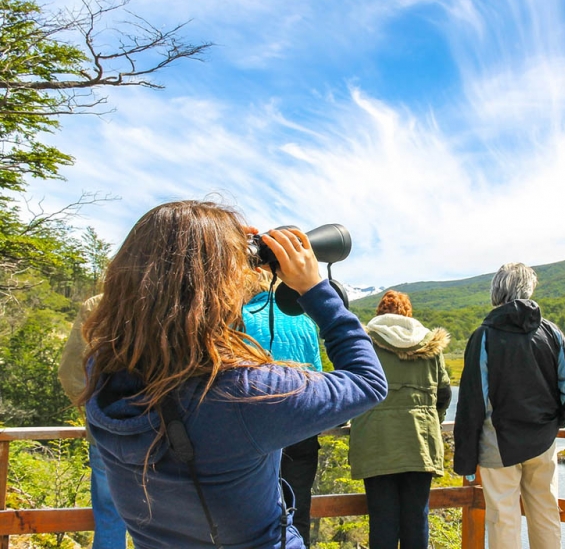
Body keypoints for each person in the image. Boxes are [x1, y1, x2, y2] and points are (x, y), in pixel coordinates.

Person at [79, 200, 388, 549]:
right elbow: (368, 382)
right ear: (217, 290)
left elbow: (173, 314)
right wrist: (315, 290)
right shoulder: (245, 393)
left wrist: (214, 249)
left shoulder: (103, 375)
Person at [453, 263, 565, 549]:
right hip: (542, 442)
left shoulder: (484, 337)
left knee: (503, 519)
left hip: (498, 444)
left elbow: (472, 403)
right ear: (528, 289)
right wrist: (554, 422)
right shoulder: (550, 332)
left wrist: (465, 459)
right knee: (546, 513)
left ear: (496, 292)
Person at [349, 290, 452, 549]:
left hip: (376, 444)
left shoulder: (365, 342)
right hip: (419, 445)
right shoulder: (430, 345)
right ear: (409, 315)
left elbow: (349, 391)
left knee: (382, 521)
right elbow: (444, 393)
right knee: (416, 519)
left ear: (379, 313)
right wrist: (431, 420)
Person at [242, 273, 323, 547]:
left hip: (256, 427)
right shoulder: (305, 321)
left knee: (254, 511)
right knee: (298, 508)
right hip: (302, 424)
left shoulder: (241, 317)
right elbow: (319, 375)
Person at [58, 295, 128, 549]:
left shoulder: (98, 305)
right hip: (165, 430)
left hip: (106, 433)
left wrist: (95, 414)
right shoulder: (176, 299)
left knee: (110, 517)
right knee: (171, 521)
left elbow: (69, 372)